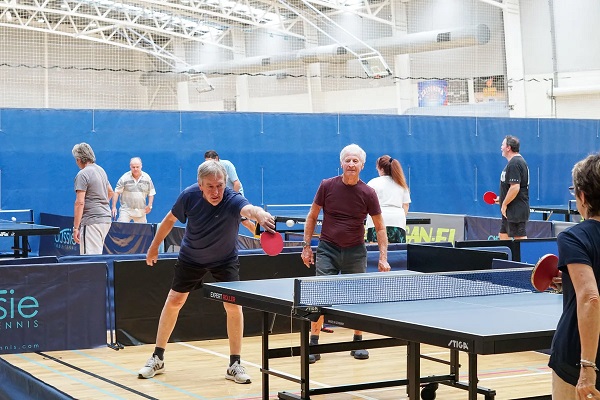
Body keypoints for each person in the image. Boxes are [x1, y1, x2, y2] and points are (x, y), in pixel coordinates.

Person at [138, 160, 276, 384]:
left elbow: (248, 210)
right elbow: (169, 220)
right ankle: (158, 357)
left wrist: (259, 215)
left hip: (225, 260)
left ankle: (234, 364)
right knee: (174, 301)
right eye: (210, 186)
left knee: (233, 306)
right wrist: (153, 247)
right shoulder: (189, 196)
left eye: (220, 185)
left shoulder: (232, 198)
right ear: (200, 185)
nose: (216, 191)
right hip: (192, 257)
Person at [300, 143, 391, 364]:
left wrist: (383, 256)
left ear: (362, 165)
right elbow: (312, 216)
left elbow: (379, 227)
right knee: (320, 296)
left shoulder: (368, 192)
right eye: (347, 160)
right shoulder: (327, 186)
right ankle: (313, 342)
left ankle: (358, 341)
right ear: (341, 163)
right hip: (327, 248)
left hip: (356, 251)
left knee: (357, 297)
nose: (351, 164)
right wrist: (306, 246)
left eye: (355, 161)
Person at [549, 153, 600, 399]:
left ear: (582, 196)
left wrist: (588, 366)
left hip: (578, 356)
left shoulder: (573, 237)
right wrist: (568, 281)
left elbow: (591, 297)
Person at [72, 142, 113, 255]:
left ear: (79, 159)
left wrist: (76, 228)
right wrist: (101, 205)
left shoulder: (83, 174)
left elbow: (79, 203)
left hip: (92, 220)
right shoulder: (101, 170)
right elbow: (111, 192)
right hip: (106, 219)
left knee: (89, 260)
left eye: (76, 159)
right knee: (97, 256)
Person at [204, 150, 255, 234]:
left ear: (216, 159)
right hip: (221, 196)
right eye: (206, 162)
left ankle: (259, 237)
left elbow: (236, 184)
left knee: (245, 222)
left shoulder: (227, 165)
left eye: (210, 162)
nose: (208, 165)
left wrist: (233, 199)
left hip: (234, 194)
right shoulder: (208, 170)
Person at [365, 155, 411, 243]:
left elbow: (366, 203)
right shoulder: (401, 183)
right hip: (397, 221)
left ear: (381, 169)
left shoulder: (373, 182)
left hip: (377, 221)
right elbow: (406, 204)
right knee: (397, 252)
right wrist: (400, 217)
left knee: (377, 252)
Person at [498, 135, 529, 240]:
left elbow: (515, 187)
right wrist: (501, 199)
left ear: (508, 148)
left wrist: (504, 204)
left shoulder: (515, 163)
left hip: (516, 209)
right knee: (503, 235)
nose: (501, 147)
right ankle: (506, 257)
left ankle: (525, 257)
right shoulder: (514, 163)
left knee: (520, 241)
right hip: (510, 210)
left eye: (502, 145)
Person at [112, 157, 156, 223]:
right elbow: (117, 192)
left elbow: (151, 193)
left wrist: (150, 205)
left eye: (137, 167)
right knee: (121, 229)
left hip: (141, 211)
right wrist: (114, 207)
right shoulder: (124, 178)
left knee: (142, 232)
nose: (135, 169)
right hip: (126, 210)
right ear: (130, 167)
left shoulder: (147, 178)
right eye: (133, 167)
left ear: (141, 166)